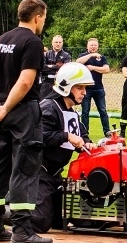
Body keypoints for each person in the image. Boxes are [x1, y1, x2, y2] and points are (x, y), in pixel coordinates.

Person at [0, 0, 50, 243]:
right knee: (25, 169)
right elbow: (24, 82)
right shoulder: (32, 42)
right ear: (37, 17)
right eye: (44, 18)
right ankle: (22, 231)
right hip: (22, 111)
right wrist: (7, 107)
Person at [34, 62, 96, 232]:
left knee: (68, 218)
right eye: (80, 87)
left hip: (55, 176)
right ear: (66, 86)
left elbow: (81, 135)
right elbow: (40, 137)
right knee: (40, 221)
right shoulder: (48, 107)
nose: (84, 92)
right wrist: (66, 136)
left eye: (85, 88)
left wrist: (87, 142)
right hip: (38, 173)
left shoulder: (72, 112)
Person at [75, 38, 111, 137]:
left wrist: (93, 68)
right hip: (86, 89)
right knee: (85, 112)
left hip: (99, 88)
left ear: (98, 46)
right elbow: (78, 62)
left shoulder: (101, 57)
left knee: (103, 111)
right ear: (87, 46)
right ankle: (85, 133)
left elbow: (107, 69)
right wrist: (90, 55)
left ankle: (107, 132)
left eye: (95, 45)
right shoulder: (83, 56)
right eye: (91, 45)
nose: (93, 47)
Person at [40, 34, 71, 98]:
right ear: (52, 43)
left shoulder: (67, 55)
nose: (58, 44)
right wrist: (57, 68)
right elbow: (42, 68)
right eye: (56, 42)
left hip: (60, 84)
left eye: (60, 42)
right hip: (46, 83)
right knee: (43, 103)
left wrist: (51, 66)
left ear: (62, 43)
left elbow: (66, 69)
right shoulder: (46, 54)